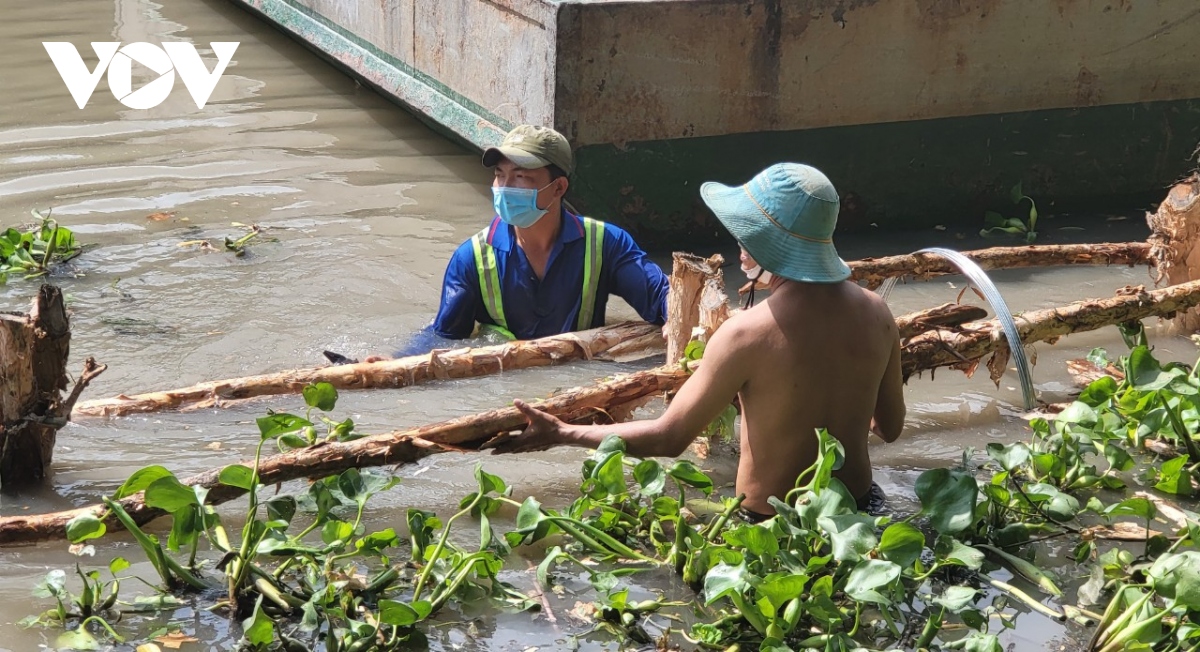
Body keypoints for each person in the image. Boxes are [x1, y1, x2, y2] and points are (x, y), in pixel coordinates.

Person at [492, 163, 906, 518]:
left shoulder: (745, 333)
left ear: (772, 246)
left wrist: (563, 432)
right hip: (859, 513)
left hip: (772, 526)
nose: (740, 246)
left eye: (750, 235)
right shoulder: (878, 314)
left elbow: (669, 439)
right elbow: (889, 428)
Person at [391, 125, 670, 357]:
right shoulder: (472, 257)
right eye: (500, 175)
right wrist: (393, 364)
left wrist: (675, 317)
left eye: (521, 176)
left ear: (558, 187)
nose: (505, 188)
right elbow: (445, 339)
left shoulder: (606, 243)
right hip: (503, 388)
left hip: (580, 378)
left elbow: (659, 295)